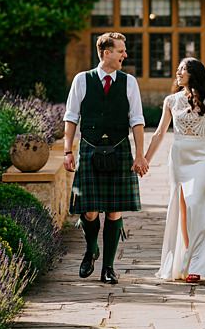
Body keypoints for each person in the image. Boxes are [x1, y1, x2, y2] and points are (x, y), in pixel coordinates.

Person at [62, 32, 149, 285]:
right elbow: (71, 117)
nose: (125, 54)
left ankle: (108, 268)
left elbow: (137, 119)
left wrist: (140, 155)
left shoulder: (129, 82)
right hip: (89, 150)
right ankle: (91, 249)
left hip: (120, 150)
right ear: (106, 52)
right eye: (121, 50)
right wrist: (68, 151)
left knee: (113, 211)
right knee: (88, 211)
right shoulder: (82, 80)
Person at [144, 57, 205, 284]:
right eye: (178, 70)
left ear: (194, 74)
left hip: (202, 157)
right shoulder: (171, 100)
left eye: (183, 70)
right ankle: (186, 261)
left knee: (196, 205)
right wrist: (145, 159)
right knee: (181, 211)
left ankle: (200, 265)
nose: (178, 73)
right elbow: (160, 133)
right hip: (178, 159)